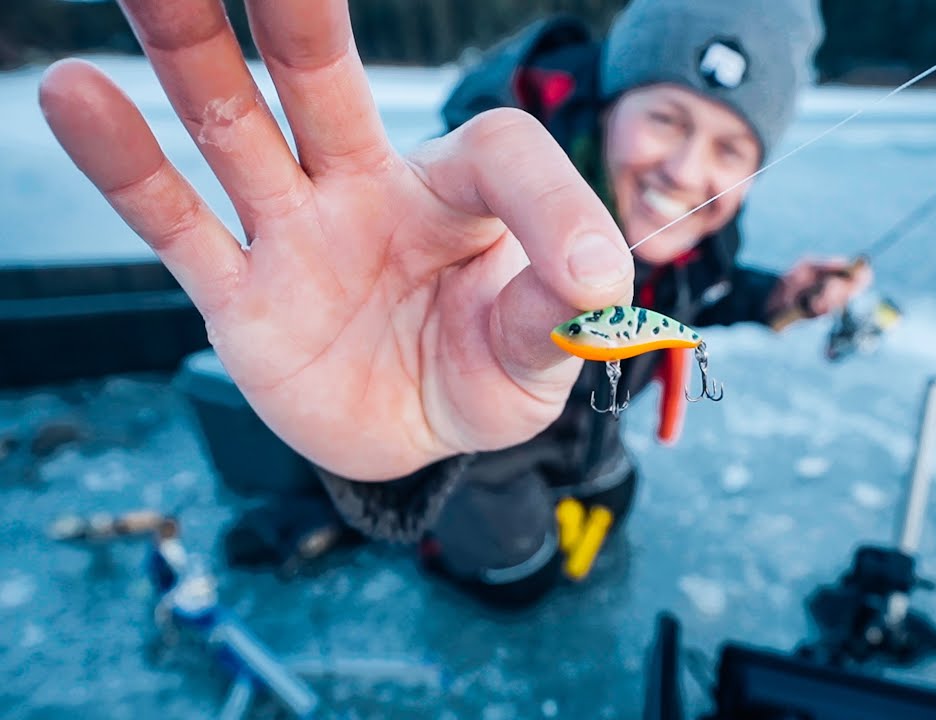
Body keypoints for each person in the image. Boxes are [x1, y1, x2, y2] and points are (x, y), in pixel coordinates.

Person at [39, 0, 867, 606]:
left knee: (614, 501)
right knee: (517, 580)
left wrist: (776, 298)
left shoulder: (697, 240)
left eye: (731, 146)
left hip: (591, 445)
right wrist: (397, 455)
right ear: (610, 103)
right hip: (481, 470)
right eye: (667, 118)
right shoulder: (475, 223)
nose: (688, 170)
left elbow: (698, 290)